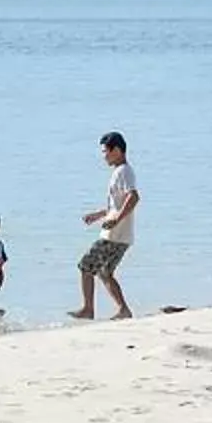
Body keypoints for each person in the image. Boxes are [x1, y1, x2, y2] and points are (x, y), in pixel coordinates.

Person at [71, 131, 138, 320]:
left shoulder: (124, 171)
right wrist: (99, 215)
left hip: (114, 234)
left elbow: (133, 197)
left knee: (85, 266)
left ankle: (88, 309)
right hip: (121, 235)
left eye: (105, 152)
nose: (103, 156)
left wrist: (116, 220)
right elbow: (116, 204)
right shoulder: (119, 172)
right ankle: (123, 310)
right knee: (104, 272)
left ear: (116, 150)